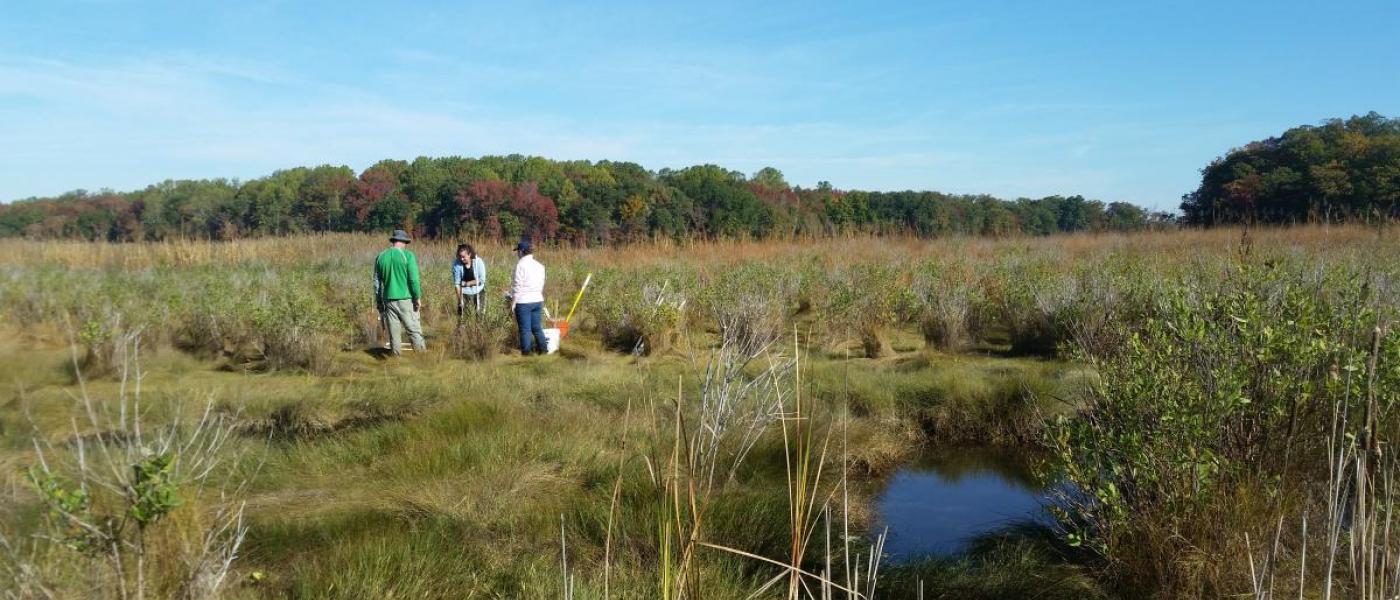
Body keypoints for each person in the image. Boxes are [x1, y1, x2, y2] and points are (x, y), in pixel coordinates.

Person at [373, 229, 425, 355]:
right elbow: (413, 280)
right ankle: (423, 359)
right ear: (404, 242)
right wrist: (417, 297)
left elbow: (376, 283)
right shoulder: (408, 256)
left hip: (388, 300)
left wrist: (379, 302)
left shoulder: (380, 257)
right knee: (414, 330)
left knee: (394, 333)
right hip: (406, 299)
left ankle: (396, 360)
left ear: (394, 241)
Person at [506, 237, 548, 355]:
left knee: (525, 330)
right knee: (537, 328)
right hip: (538, 300)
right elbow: (542, 282)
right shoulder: (540, 266)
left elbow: (517, 286)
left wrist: (513, 302)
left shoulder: (520, 266)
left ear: (521, 252)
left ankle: (526, 353)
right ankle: (543, 350)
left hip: (523, 302)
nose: (517, 254)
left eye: (518, 251)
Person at [453, 243, 487, 317]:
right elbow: (457, 284)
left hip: (478, 291)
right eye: (460, 257)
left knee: (480, 315)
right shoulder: (457, 264)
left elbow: (482, 280)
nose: (461, 259)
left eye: (463, 257)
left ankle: (478, 327)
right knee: (463, 317)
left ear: (469, 254)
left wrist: (467, 284)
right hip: (464, 293)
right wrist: (460, 300)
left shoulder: (478, 262)